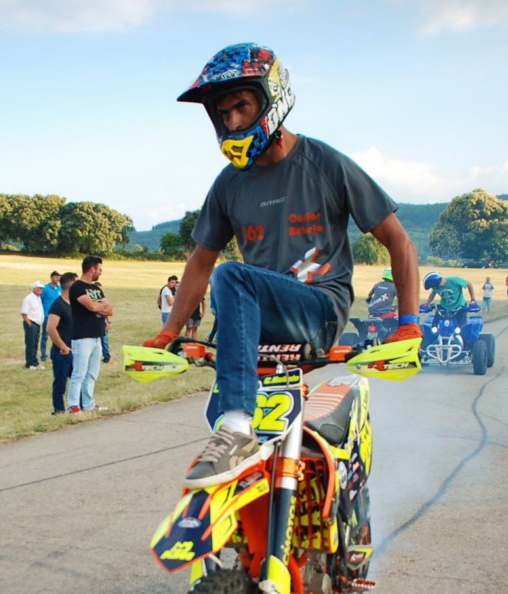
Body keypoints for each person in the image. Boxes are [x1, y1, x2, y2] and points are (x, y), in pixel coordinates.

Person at [143, 42, 421, 487]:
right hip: (260, 324)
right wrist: (168, 333)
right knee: (231, 279)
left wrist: (410, 323)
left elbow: (399, 242)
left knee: (233, 276)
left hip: (318, 311)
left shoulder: (325, 164)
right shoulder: (229, 184)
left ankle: (236, 428)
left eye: (241, 107)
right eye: (223, 114)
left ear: (272, 99)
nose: (232, 122)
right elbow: (199, 261)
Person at [69, 255, 113, 413]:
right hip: (82, 336)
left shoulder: (95, 289)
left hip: (97, 335)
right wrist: (98, 306)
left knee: (92, 373)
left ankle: (88, 404)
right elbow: (93, 307)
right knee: (79, 373)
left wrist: (98, 306)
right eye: (99, 269)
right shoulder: (78, 287)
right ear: (92, 269)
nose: (101, 272)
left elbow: (109, 309)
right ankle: (73, 405)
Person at [47, 273, 76, 414]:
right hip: (62, 352)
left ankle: (78, 406)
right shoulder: (58, 304)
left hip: (75, 349)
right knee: (60, 383)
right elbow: (50, 328)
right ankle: (58, 411)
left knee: (78, 381)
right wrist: (62, 346)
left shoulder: (74, 304)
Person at [21, 281, 45, 369]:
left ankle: (35, 361)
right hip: (31, 323)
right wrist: (29, 324)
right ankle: (29, 363)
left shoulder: (38, 298)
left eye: (41, 288)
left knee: (35, 343)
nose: (41, 290)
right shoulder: (28, 298)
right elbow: (24, 313)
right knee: (30, 343)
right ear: (34, 289)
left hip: (37, 324)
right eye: (39, 288)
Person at [39, 271, 62, 362]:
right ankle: (43, 354)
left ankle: (56, 352)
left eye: (59, 277)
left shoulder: (60, 288)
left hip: (59, 315)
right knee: (45, 335)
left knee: (58, 335)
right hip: (47, 315)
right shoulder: (45, 289)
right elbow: (40, 301)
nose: (58, 279)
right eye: (56, 277)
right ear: (51, 277)